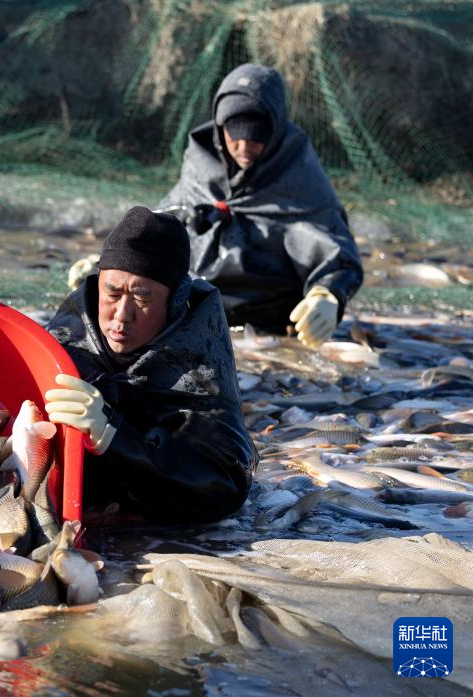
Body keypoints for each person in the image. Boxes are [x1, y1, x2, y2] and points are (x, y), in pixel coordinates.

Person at [44, 207, 256, 523]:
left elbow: (227, 487)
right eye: (112, 294)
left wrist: (113, 435)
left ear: (173, 303)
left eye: (142, 300)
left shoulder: (199, 372)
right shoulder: (65, 337)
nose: (121, 315)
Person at [159, 63, 363, 348]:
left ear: (275, 130)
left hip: (271, 324)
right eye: (235, 135)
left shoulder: (299, 176)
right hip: (192, 313)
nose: (244, 148)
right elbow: (160, 226)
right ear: (219, 128)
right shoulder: (200, 162)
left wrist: (328, 293)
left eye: (256, 137)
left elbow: (335, 248)